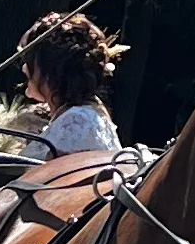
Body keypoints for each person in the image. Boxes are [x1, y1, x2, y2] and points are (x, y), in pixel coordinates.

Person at [13, 10, 128, 161]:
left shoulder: (78, 123)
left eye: (30, 60)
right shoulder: (82, 114)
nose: (24, 68)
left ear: (50, 72)